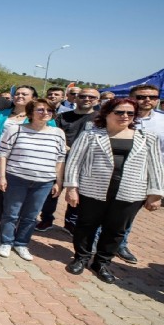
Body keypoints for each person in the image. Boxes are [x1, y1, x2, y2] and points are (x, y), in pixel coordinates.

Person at [64, 98, 163, 283]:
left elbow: (156, 167)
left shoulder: (147, 138)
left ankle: (102, 263)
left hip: (130, 191)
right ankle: (81, 258)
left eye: (130, 113)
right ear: (107, 113)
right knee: (86, 225)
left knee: (116, 229)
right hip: (93, 189)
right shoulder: (90, 135)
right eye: (119, 112)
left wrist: (155, 194)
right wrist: (71, 187)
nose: (125, 116)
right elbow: (74, 162)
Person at [0, 99, 66, 262]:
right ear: (30, 113)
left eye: (49, 110)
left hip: (44, 182)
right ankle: (6, 241)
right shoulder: (16, 129)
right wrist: (1, 176)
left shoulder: (58, 133)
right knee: (11, 213)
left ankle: (21, 243)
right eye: (40, 110)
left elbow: (60, 158)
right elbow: (3, 153)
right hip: (17, 178)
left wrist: (58, 181)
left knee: (31, 215)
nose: (45, 113)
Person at [0, 85, 50, 232]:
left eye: (24, 94)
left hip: (25, 162)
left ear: (33, 98)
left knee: (19, 196)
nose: (19, 96)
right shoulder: (1, 114)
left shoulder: (41, 115)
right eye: (17, 93)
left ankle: (15, 223)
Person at [36, 88, 99, 233]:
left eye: (91, 97)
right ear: (75, 98)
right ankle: (46, 219)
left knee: (77, 192)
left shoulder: (101, 118)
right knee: (52, 191)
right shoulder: (62, 116)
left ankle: (71, 222)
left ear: (97, 100)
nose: (87, 99)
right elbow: (52, 133)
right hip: (60, 159)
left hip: (85, 162)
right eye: (82, 96)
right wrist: (62, 146)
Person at [115, 84, 164, 263]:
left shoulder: (162, 121)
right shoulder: (119, 116)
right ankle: (95, 242)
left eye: (152, 97)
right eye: (141, 97)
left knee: (129, 213)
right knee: (104, 208)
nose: (147, 100)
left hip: (144, 175)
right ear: (131, 98)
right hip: (115, 171)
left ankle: (120, 244)